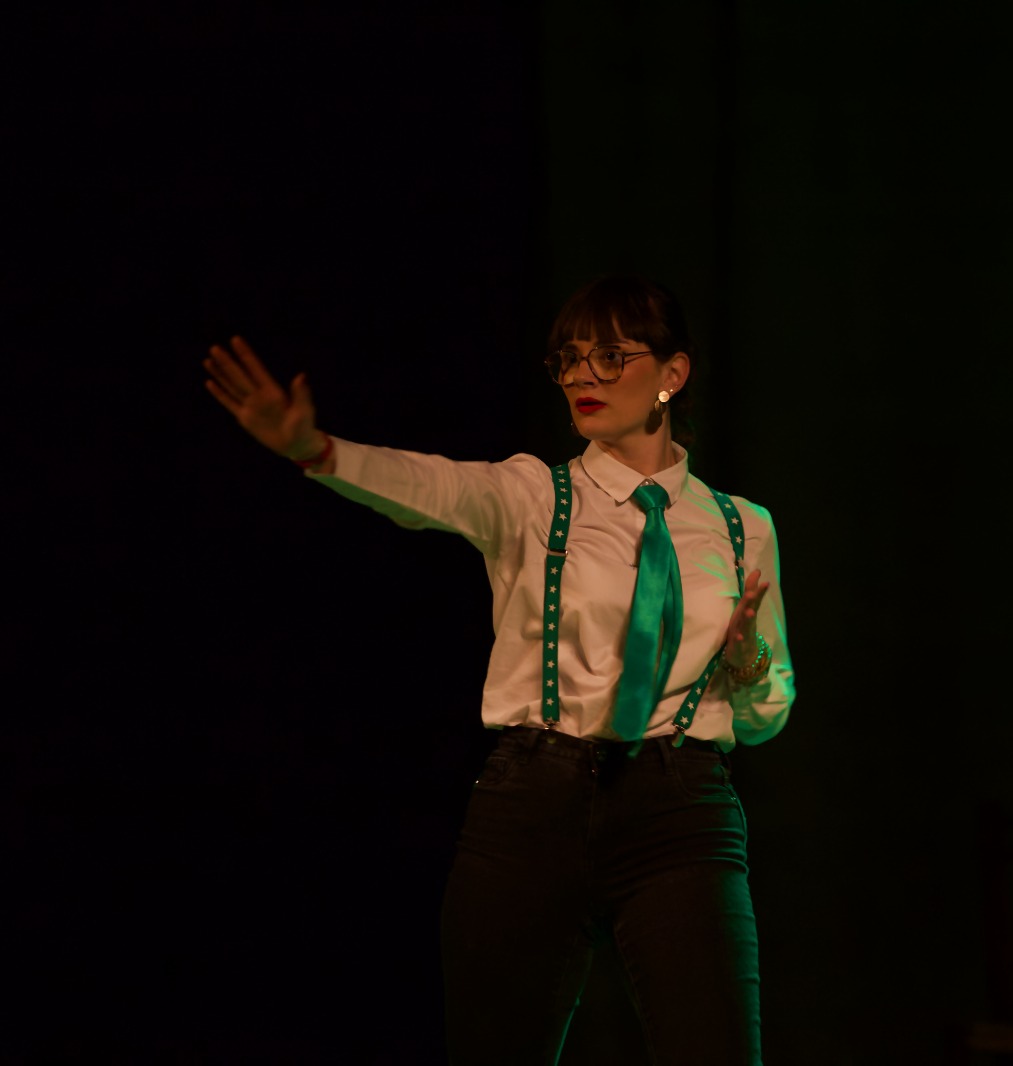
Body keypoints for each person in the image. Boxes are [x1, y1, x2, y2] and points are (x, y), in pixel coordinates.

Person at [202, 275, 793, 1065]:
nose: (581, 376)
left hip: (679, 811)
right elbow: (426, 486)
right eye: (568, 359)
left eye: (609, 356)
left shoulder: (741, 527)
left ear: (672, 373)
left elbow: (765, 715)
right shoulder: (530, 495)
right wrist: (316, 450)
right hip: (532, 806)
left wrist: (747, 658)